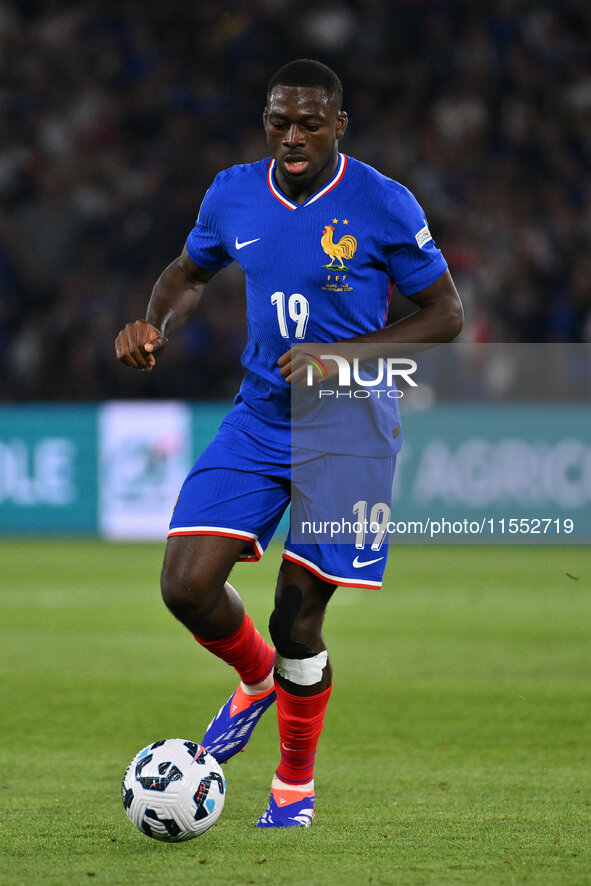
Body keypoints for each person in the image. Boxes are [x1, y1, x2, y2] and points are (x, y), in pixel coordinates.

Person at [115, 59, 463, 828]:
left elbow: (443, 314)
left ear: (340, 124)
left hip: (349, 429)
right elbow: (187, 271)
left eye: (310, 122)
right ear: (265, 122)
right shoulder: (233, 191)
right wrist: (155, 324)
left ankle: (292, 786)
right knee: (184, 587)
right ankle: (257, 679)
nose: (294, 137)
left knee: (296, 619)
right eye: (280, 122)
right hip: (262, 413)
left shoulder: (381, 203)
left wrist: (341, 355)